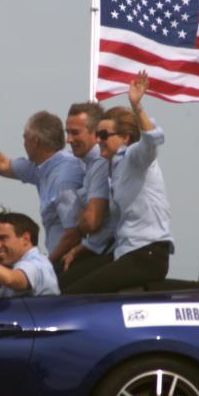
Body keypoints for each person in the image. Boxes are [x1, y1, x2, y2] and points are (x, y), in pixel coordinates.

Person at [64, 71, 174, 294]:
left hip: (147, 254)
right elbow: (113, 226)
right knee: (64, 281)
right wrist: (79, 250)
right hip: (125, 252)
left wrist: (137, 106)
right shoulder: (111, 169)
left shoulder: (135, 158)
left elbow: (153, 140)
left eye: (104, 135)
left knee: (77, 294)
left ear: (124, 138)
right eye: (96, 134)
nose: (97, 140)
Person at [0, 110, 83, 264]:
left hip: (73, 261)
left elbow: (74, 233)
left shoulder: (63, 180)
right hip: (61, 259)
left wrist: (46, 266)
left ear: (35, 141)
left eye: (25, 138)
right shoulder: (42, 166)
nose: (23, 144)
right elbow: (2, 165)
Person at [58, 102, 117, 291]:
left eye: (75, 133)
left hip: (108, 251)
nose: (68, 139)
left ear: (95, 133)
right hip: (100, 248)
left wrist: (81, 220)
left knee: (60, 288)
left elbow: (91, 222)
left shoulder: (99, 163)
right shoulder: (87, 164)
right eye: (67, 132)